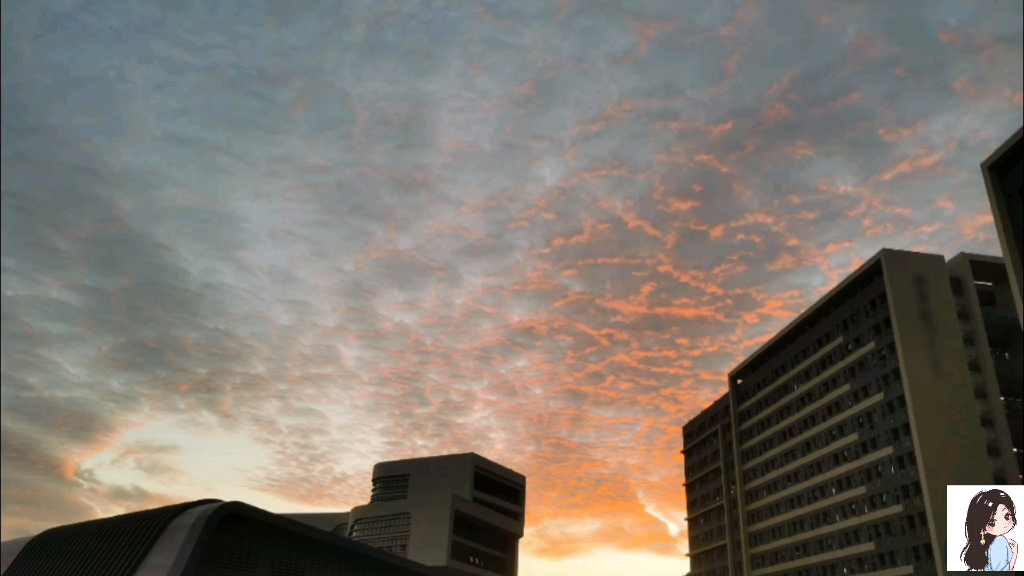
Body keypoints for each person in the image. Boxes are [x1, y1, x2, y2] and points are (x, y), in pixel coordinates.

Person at [960, 489, 1018, 571]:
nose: (1003, 524)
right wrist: (1014, 554)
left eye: (1007, 516)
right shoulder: (1000, 542)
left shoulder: (990, 543)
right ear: (982, 529)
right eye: (992, 522)